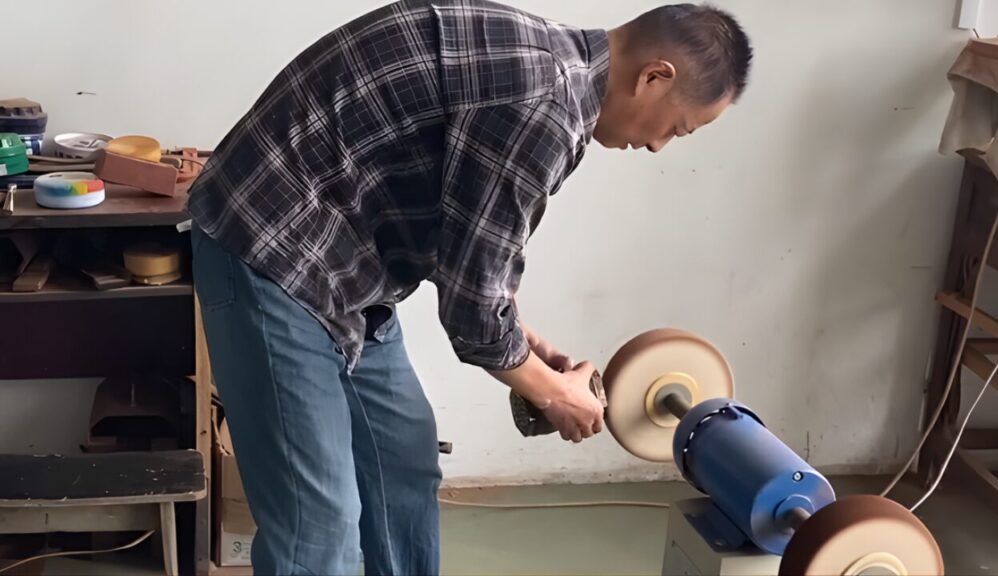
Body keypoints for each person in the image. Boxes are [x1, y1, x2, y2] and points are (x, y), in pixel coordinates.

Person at [187, 1, 751, 574]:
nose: (659, 146)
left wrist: (522, 338)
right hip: (272, 246)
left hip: (347, 264)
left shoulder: (549, 61)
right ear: (655, 77)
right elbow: (473, 319)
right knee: (318, 524)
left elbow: (471, 240)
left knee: (403, 467)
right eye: (677, 128)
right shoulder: (545, 107)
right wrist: (553, 394)